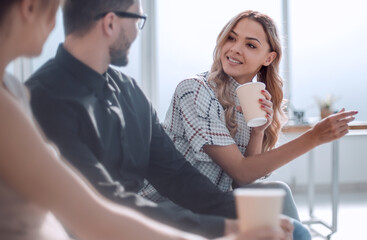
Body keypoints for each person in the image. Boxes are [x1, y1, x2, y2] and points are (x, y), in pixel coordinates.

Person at [0, 1, 292, 240]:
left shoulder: (130, 92)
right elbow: (101, 208)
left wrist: (247, 214)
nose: (139, 32)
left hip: (134, 222)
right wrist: (224, 228)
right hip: (107, 229)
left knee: (286, 223)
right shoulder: (45, 97)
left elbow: (179, 177)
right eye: (138, 20)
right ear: (111, 23)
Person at [138, 9, 358, 239]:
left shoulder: (250, 101)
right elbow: (241, 172)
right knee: (294, 230)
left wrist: (257, 133)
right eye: (232, 38)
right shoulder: (194, 89)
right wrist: (314, 137)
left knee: (279, 192)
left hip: (214, 205)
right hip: (167, 206)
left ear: (268, 58)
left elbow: (243, 182)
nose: (234, 48)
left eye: (250, 45)